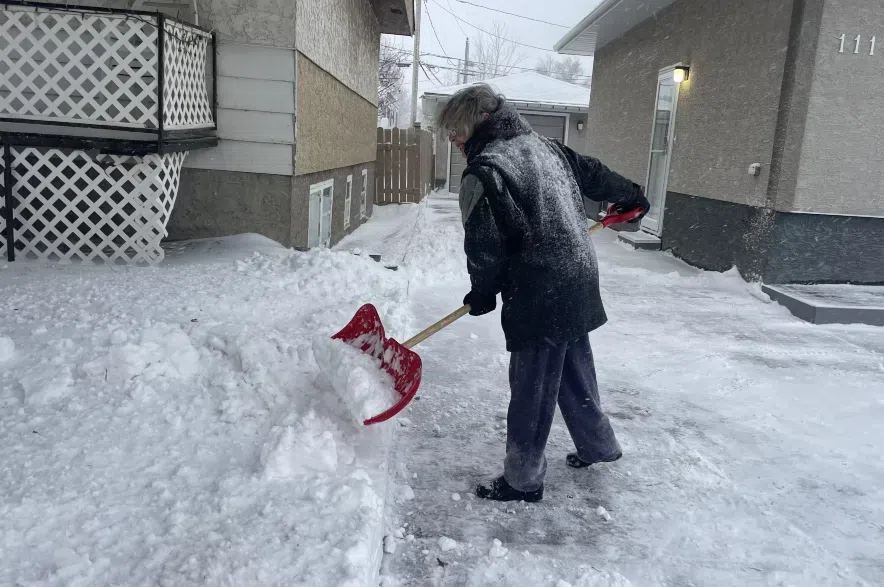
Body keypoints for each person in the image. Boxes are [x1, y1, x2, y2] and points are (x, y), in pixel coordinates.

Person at [436, 84, 650, 503]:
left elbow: (484, 246)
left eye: (454, 132)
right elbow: (596, 175)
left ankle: (522, 479)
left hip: (539, 290)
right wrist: (632, 195)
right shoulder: (549, 148)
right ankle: (598, 445)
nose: (453, 141)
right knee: (572, 369)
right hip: (578, 278)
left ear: (474, 124)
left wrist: (482, 291)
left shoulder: (487, 171)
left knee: (532, 389)